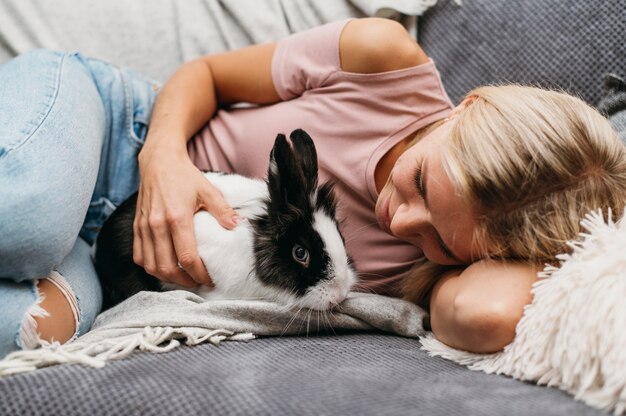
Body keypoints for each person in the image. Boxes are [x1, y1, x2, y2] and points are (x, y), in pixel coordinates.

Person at [1, 17, 625, 359]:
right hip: (117, 128)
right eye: (421, 184)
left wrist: (536, 248)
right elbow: (206, 75)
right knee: (25, 216)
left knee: (19, 329)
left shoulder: (441, 277)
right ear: (466, 108)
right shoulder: (384, 59)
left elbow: (487, 315)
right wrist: (163, 158)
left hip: (110, 262)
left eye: (441, 240)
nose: (401, 222)